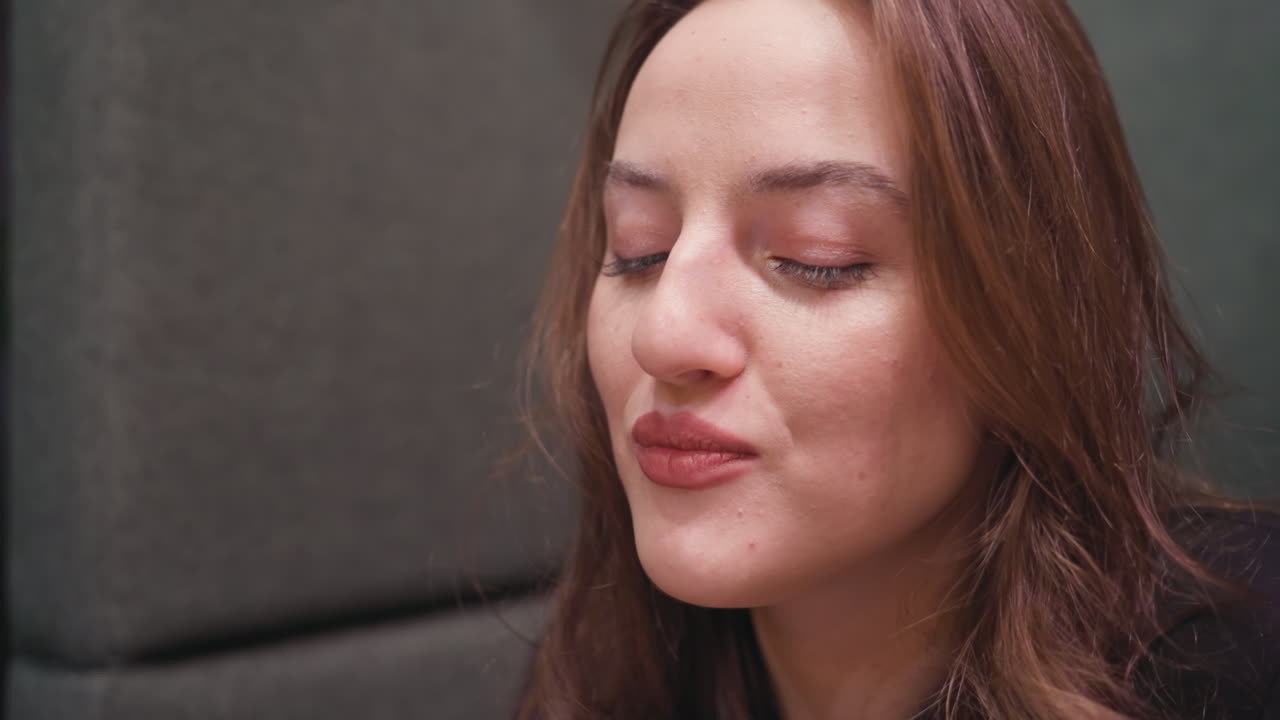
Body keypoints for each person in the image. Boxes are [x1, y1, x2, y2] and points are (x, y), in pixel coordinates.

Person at [514, 0, 1279, 718]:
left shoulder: (1240, 662)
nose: (662, 336)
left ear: (1027, 308)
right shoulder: (599, 681)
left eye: (816, 258)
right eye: (640, 252)